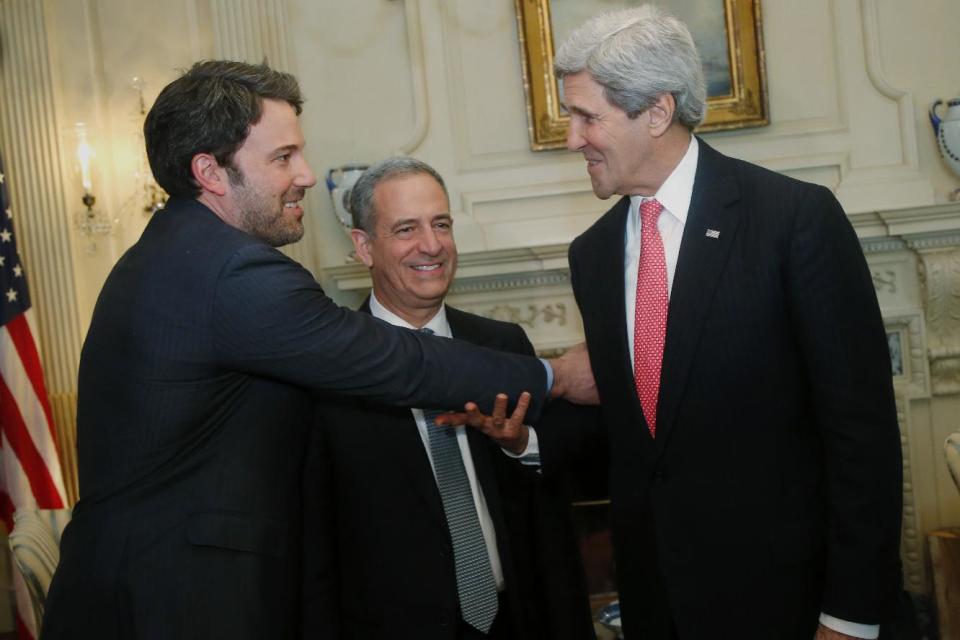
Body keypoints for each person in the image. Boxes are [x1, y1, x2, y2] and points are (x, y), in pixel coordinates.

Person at [41, 61, 595, 640]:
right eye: (282, 158)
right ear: (210, 171)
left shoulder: (175, 253)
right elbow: (395, 360)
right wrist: (552, 374)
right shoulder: (231, 271)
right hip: (172, 603)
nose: (305, 175)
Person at [460, 7, 902, 640]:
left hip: (785, 602)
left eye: (588, 117)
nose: (572, 138)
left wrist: (851, 616)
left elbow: (862, 436)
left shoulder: (792, 220)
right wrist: (527, 442)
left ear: (657, 113)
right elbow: (642, 429)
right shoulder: (594, 252)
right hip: (657, 603)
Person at [301, 157, 595, 640]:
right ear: (363, 247)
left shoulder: (502, 346)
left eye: (441, 224)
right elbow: (315, 547)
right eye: (405, 229)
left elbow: (553, 508)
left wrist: (520, 444)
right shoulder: (328, 372)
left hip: (517, 620)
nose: (432, 245)